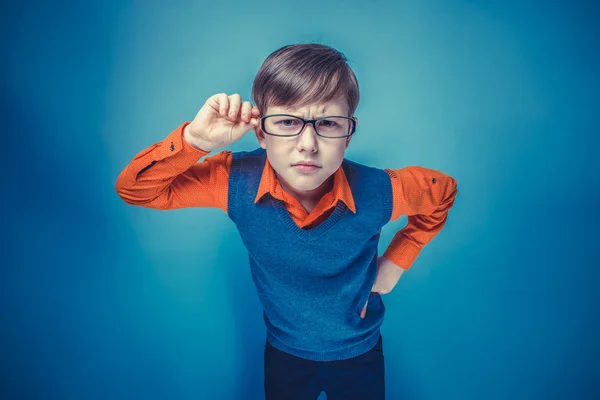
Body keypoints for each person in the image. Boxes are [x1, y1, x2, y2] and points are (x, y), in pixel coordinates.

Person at [116, 43, 458, 400]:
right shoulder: (233, 180)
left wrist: (399, 259)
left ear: (349, 133)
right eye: (287, 122)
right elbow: (137, 190)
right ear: (261, 132)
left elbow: (443, 191)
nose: (307, 144)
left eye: (327, 123)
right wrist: (195, 141)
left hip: (360, 352)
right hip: (284, 354)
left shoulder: (381, 190)